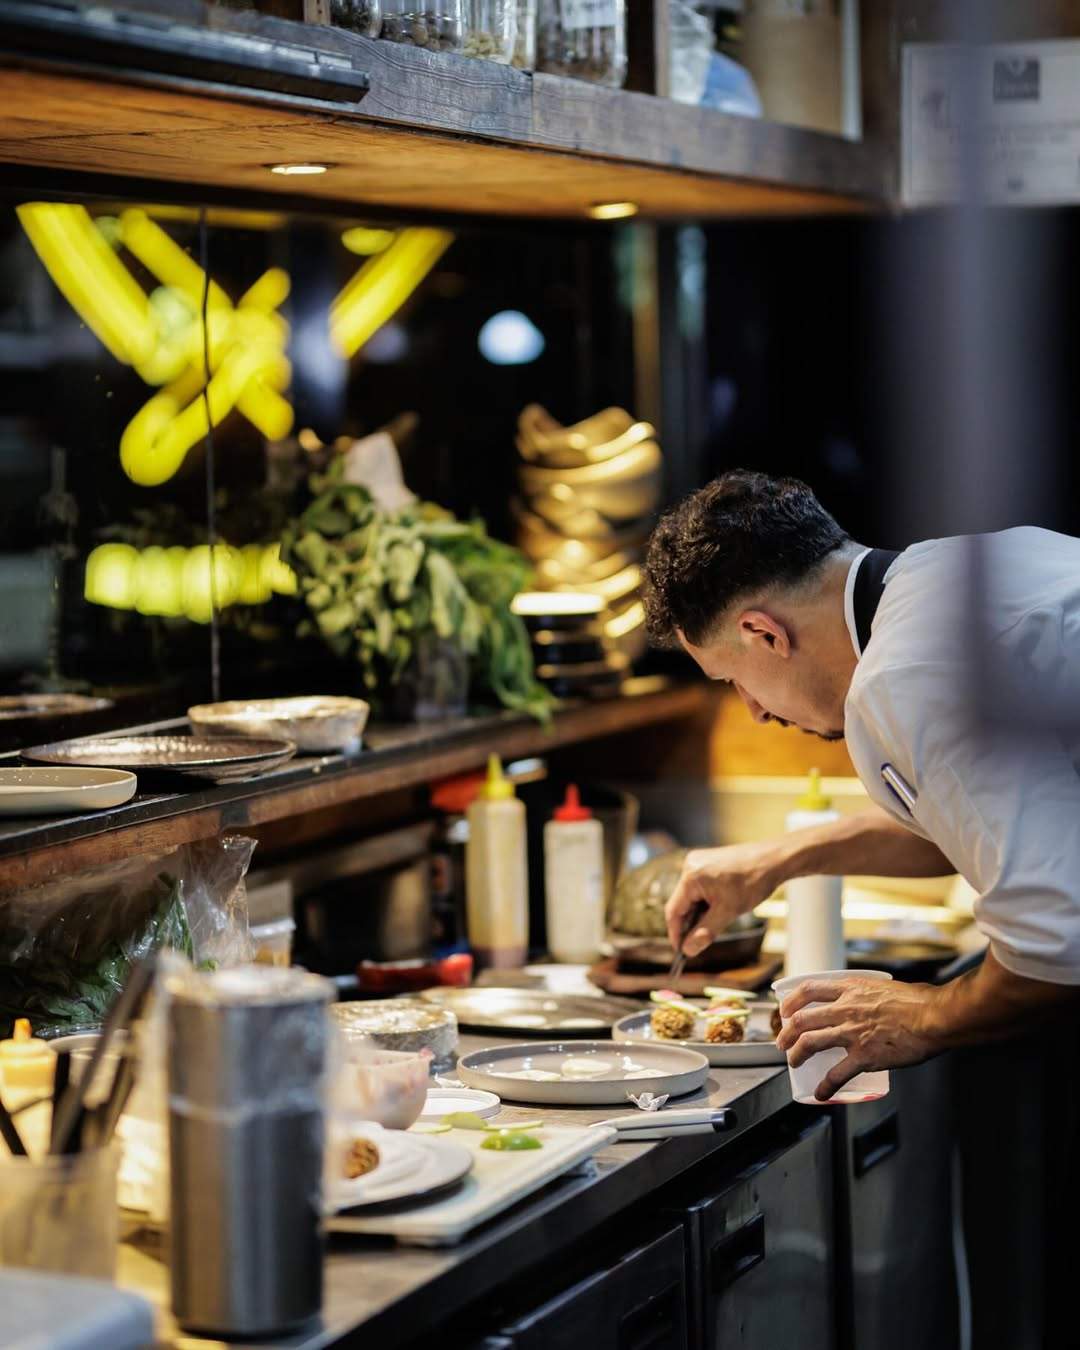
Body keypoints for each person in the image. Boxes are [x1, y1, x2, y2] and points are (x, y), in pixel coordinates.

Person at [642, 469, 1080, 1101]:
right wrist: (778, 859)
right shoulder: (945, 573)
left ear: (764, 633)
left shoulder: (907, 677)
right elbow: (968, 824)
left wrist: (921, 1013)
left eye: (732, 679)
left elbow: (1054, 939)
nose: (756, 711)